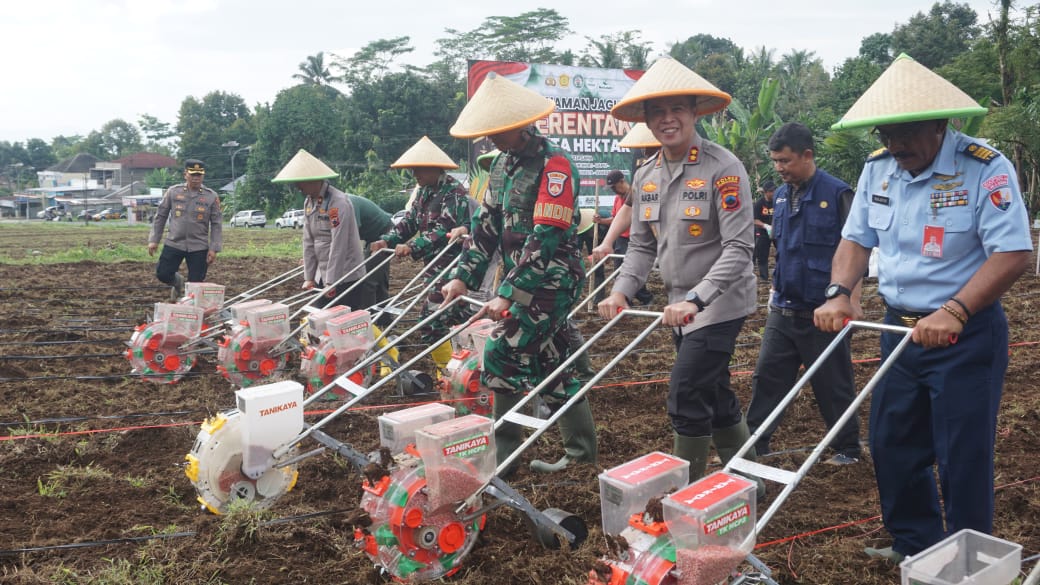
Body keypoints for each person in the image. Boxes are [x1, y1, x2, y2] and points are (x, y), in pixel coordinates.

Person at [815, 54, 1032, 563]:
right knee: (891, 442)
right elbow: (854, 242)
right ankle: (915, 544)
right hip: (899, 331)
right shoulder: (878, 169)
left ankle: (967, 559)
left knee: (962, 454)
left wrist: (956, 310)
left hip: (965, 334)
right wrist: (839, 292)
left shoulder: (984, 167)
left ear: (940, 122)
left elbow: (1015, 253)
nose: (896, 144)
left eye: (907, 132)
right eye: (888, 133)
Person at [600, 57, 761, 485]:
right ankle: (747, 477)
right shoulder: (646, 174)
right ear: (648, 121)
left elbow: (740, 247)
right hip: (678, 303)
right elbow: (640, 245)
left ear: (693, 113)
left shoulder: (722, 168)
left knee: (686, 392)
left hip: (720, 302)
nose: (667, 120)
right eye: (658, 112)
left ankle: (685, 495)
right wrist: (622, 291)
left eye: (677, 110)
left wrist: (697, 299)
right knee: (714, 390)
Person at [442, 72, 595, 474]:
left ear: (521, 125)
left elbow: (546, 236)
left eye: (499, 132)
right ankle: (581, 454)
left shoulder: (556, 165)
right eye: (489, 134)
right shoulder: (502, 167)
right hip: (524, 282)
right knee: (554, 359)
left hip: (553, 281)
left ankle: (503, 457)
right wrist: (464, 277)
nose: (493, 140)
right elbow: (487, 227)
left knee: (502, 352)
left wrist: (508, 292)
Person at [744, 122, 862, 467]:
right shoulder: (779, 196)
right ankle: (754, 443)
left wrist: (851, 301)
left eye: (785, 161)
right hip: (784, 307)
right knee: (767, 377)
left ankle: (849, 449)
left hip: (822, 310)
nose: (779, 168)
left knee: (832, 383)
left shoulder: (838, 194)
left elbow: (857, 250)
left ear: (807, 155)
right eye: (775, 161)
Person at [372, 136, 473, 371]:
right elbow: (410, 221)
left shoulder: (453, 192)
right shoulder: (424, 192)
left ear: (434, 168)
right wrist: (387, 240)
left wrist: (413, 246)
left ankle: (450, 372)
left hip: (452, 267)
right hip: (433, 267)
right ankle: (460, 369)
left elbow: (444, 229)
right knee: (456, 318)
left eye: (419, 169)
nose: (414, 173)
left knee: (433, 321)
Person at [271, 149, 370, 311]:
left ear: (313, 180)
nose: (297, 186)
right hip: (322, 274)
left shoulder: (337, 203)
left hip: (346, 275)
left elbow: (339, 244)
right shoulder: (309, 203)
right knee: (321, 318)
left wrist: (332, 282)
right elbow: (308, 241)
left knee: (343, 321)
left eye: (300, 182)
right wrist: (309, 277)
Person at [148, 159, 223, 301]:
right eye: (192, 174)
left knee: (195, 285)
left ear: (203, 176)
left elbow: (216, 224)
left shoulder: (211, 196)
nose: (196, 178)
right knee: (162, 273)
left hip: (199, 246)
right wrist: (154, 240)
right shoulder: (173, 192)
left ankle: (187, 310)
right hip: (174, 242)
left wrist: (214, 248)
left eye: (199, 175)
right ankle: (178, 282)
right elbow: (161, 216)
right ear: (185, 175)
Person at [590, 170, 653, 305]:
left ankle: (645, 298)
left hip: (634, 238)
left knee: (632, 269)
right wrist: (601, 220)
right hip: (621, 239)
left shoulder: (636, 194)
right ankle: (627, 300)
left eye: (614, 187)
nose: (613, 190)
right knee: (619, 271)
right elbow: (615, 219)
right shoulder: (617, 199)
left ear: (622, 181)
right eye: (611, 188)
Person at [347, 193, 394, 316]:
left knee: (368, 278)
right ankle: (384, 318)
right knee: (379, 277)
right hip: (372, 237)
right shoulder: (335, 204)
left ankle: (368, 318)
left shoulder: (349, 203)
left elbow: (352, 233)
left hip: (385, 233)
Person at [752, 180, 775, 281]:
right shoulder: (759, 204)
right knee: (762, 255)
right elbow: (754, 220)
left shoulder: (777, 202)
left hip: (776, 230)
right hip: (762, 232)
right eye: (771, 191)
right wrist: (766, 226)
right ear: (766, 192)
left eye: (775, 190)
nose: (773, 193)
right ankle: (764, 278)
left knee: (783, 252)